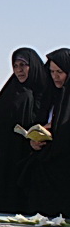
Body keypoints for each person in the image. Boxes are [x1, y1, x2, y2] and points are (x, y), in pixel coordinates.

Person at [0, 48, 50, 213]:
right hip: (8, 156)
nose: (19, 70)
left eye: (23, 65)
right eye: (15, 66)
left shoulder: (48, 91)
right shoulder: (13, 91)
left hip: (36, 158)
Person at [19, 48, 70, 217]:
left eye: (59, 72)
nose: (55, 76)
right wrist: (35, 141)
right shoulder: (52, 96)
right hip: (46, 163)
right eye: (52, 72)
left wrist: (57, 129)